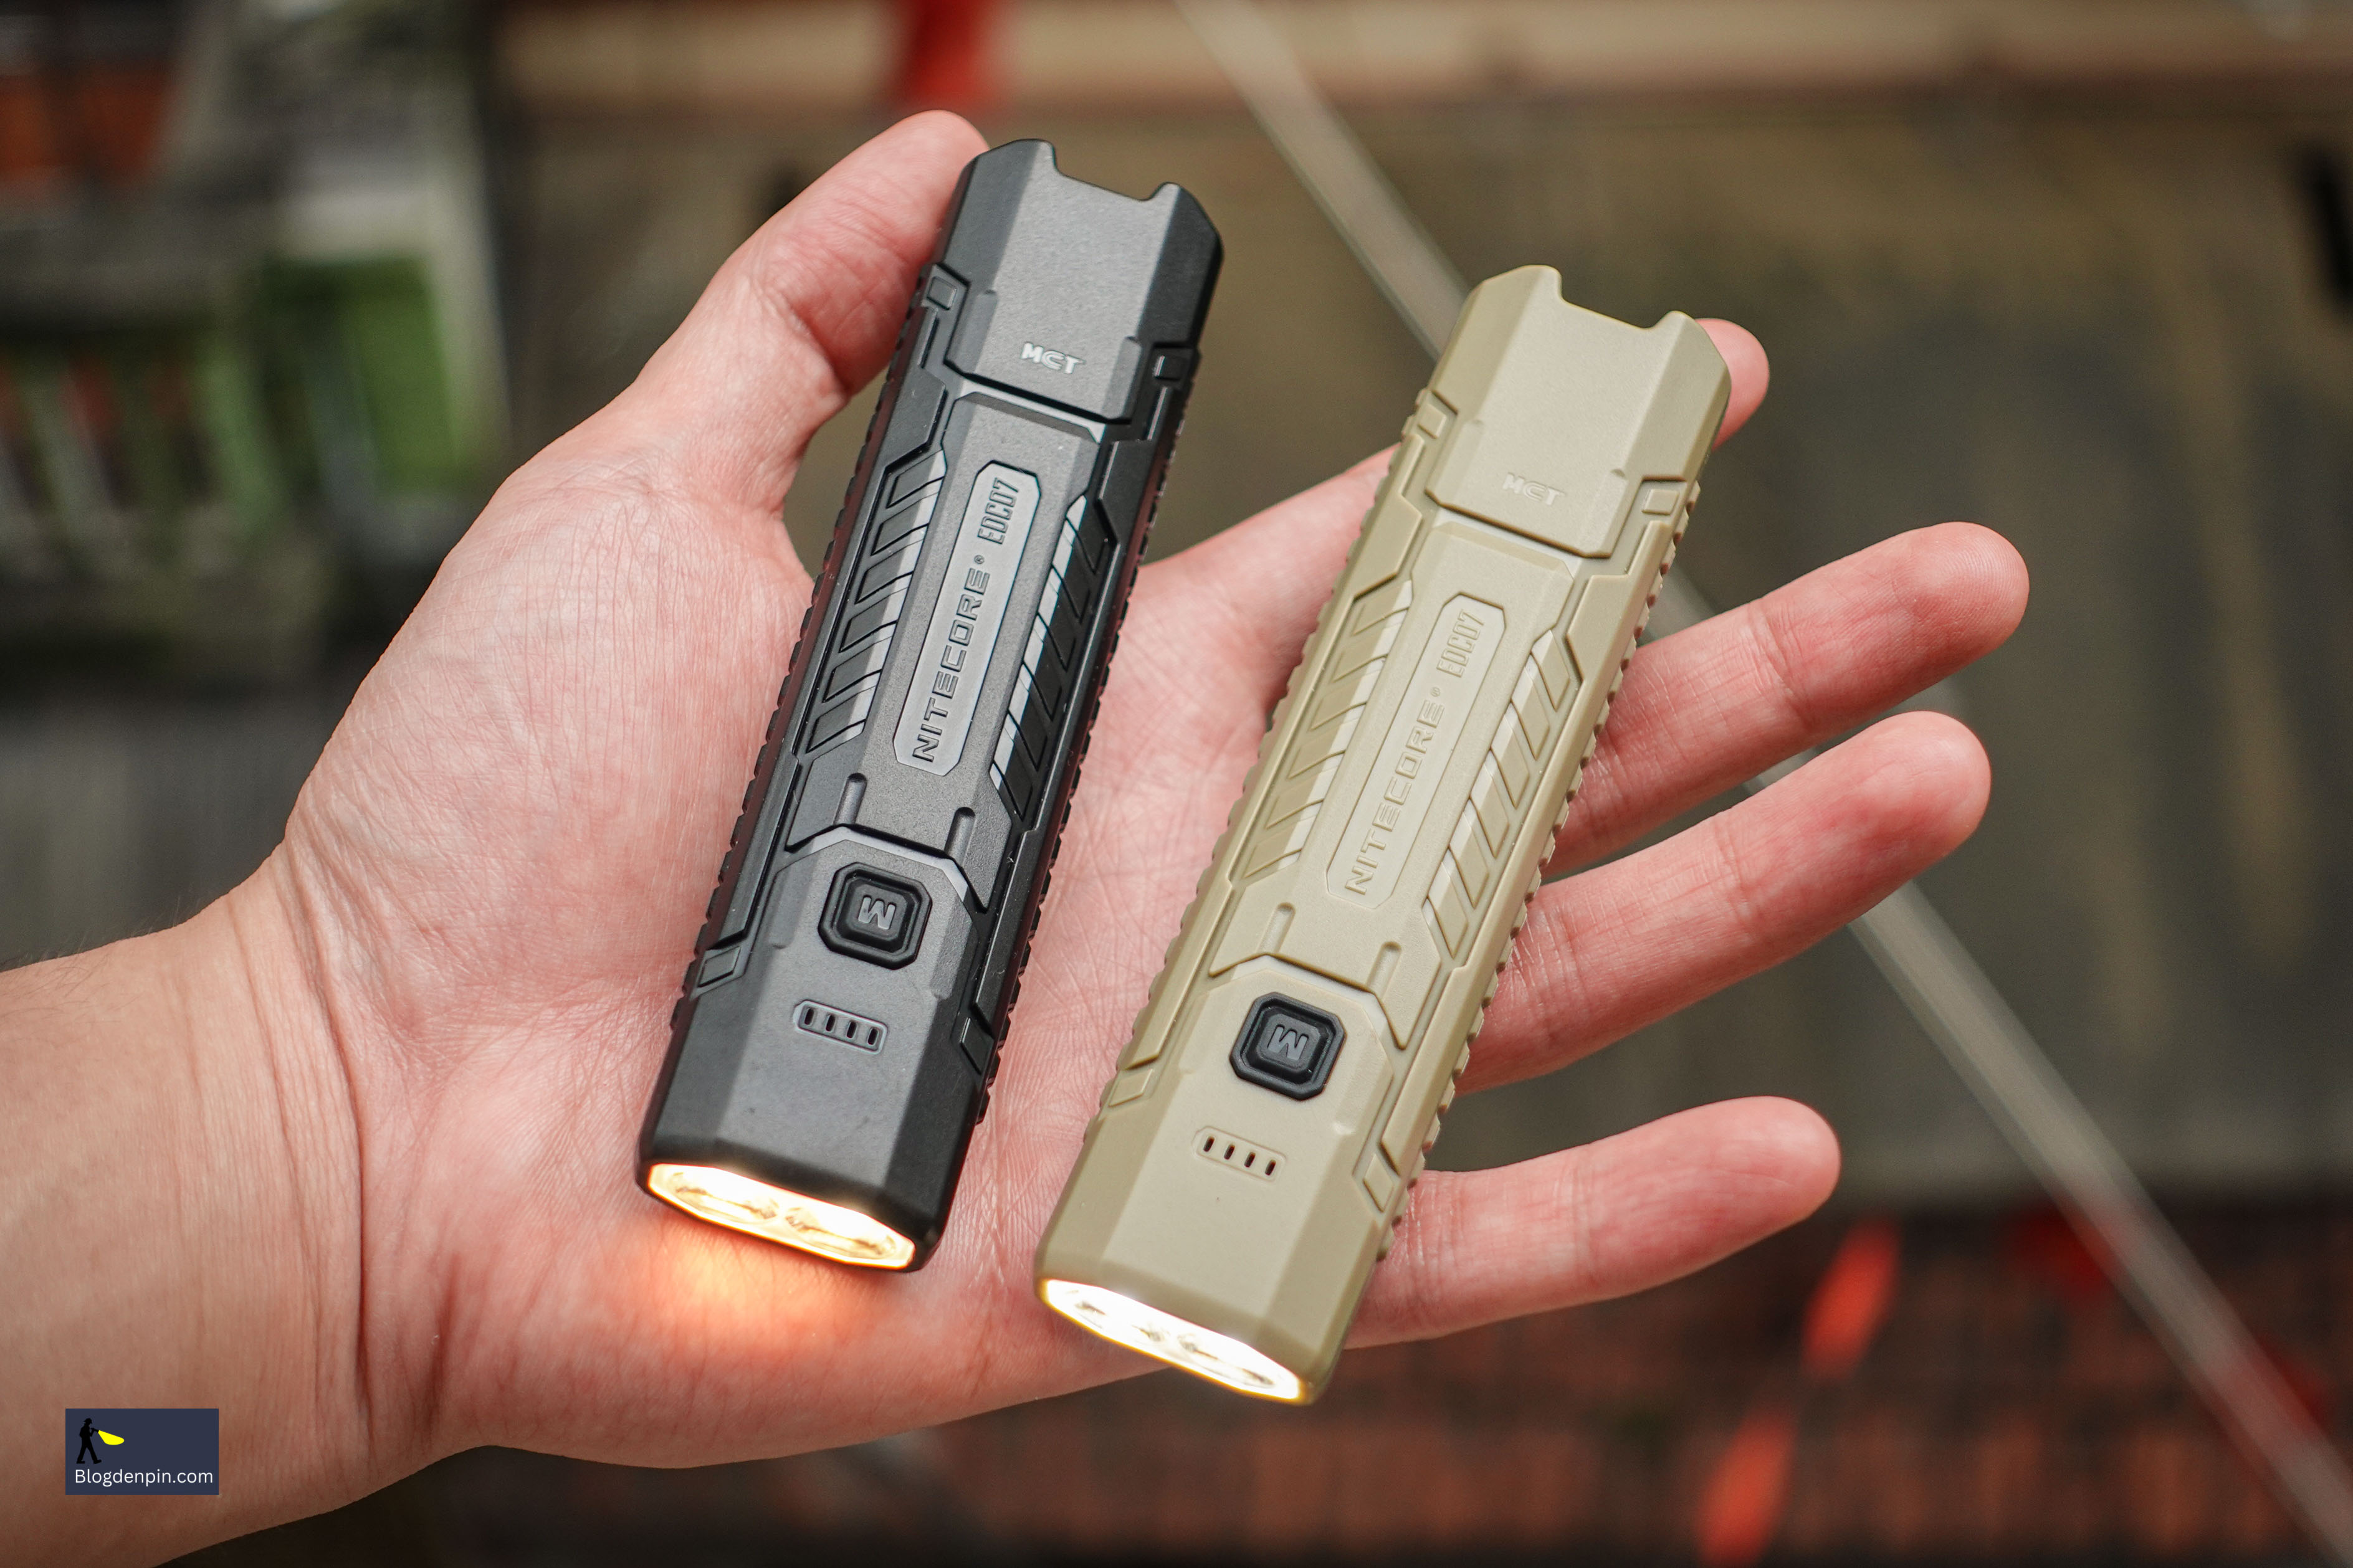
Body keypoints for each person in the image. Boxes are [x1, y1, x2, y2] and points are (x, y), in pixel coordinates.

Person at [0, 112, 2028, 1563]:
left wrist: (338, 1253)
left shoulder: (166, 1407)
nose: (126, 1448)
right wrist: (330, 1200)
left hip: (423, 1248)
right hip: (516, 1198)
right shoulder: (167, 1395)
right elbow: (95, 1448)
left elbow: (96, 1450)